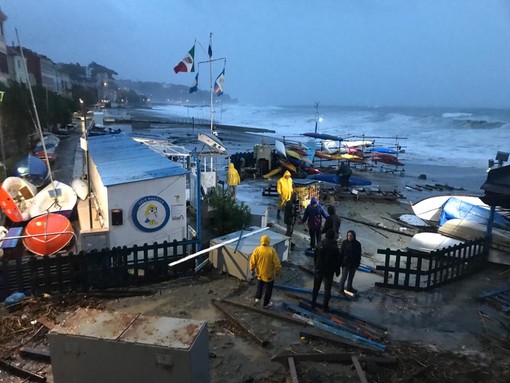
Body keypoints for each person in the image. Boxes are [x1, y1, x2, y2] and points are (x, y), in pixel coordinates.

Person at [311, 229, 341, 312]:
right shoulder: (334, 247)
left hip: (319, 269)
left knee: (316, 288)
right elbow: (337, 261)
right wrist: (337, 270)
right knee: (327, 290)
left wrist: (316, 266)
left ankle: (313, 304)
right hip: (329, 272)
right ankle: (325, 307)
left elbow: (315, 256)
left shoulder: (320, 244)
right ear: (333, 237)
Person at [249, 234, 282, 309]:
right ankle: (266, 303)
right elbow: (277, 263)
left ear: (261, 241)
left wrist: (252, 269)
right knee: (268, 289)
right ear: (269, 241)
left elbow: (252, 261)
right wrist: (278, 271)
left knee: (260, 286)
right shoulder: (271, 250)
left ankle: (257, 298)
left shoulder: (257, 249)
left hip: (260, 273)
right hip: (269, 275)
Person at [338, 230, 362, 295]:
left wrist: (358, 263)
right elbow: (341, 253)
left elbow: (359, 255)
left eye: (351, 236)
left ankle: (349, 287)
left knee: (351, 277)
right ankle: (341, 289)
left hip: (353, 263)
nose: (349, 237)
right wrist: (340, 263)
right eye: (348, 236)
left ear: (354, 236)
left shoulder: (357, 244)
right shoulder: (344, 243)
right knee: (344, 277)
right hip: (345, 263)